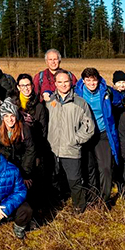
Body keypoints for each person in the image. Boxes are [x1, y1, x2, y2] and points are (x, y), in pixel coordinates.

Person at [46, 71, 95, 212]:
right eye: (60, 82)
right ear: (55, 84)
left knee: (74, 180)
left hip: (71, 149)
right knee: (54, 178)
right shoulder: (49, 102)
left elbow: (89, 127)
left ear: (71, 82)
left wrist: (75, 140)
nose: (63, 85)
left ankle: (79, 206)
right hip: (53, 149)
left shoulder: (80, 102)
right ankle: (56, 204)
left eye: (66, 82)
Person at [74, 67, 122, 205]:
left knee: (105, 167)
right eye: (88, 80)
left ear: (98, 80)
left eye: (94, 80)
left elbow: (121, 100)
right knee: (89, 167)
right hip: (85, 134)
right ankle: (91, 195)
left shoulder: (106, 91)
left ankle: (105, 198)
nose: (91, 83)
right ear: (83, 80)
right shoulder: (77, 92)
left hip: (103, 133)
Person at [0, 98, 36, 187]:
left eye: (12, 115)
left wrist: (25, 174)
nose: (9, 119)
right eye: (6, 116)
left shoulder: (24, 129)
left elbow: (30, 150)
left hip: (22, 162)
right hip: (4, 163)